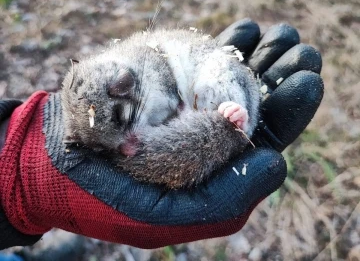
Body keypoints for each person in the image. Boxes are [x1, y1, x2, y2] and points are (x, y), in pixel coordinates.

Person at [0, 19, 323, 250]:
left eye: (125, 130)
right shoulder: (97, 106)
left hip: (197, 81)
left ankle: (228, 119)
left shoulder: (143, 76)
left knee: (216, 86)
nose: (127, 150)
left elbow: (171, 97)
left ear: (127, 85)